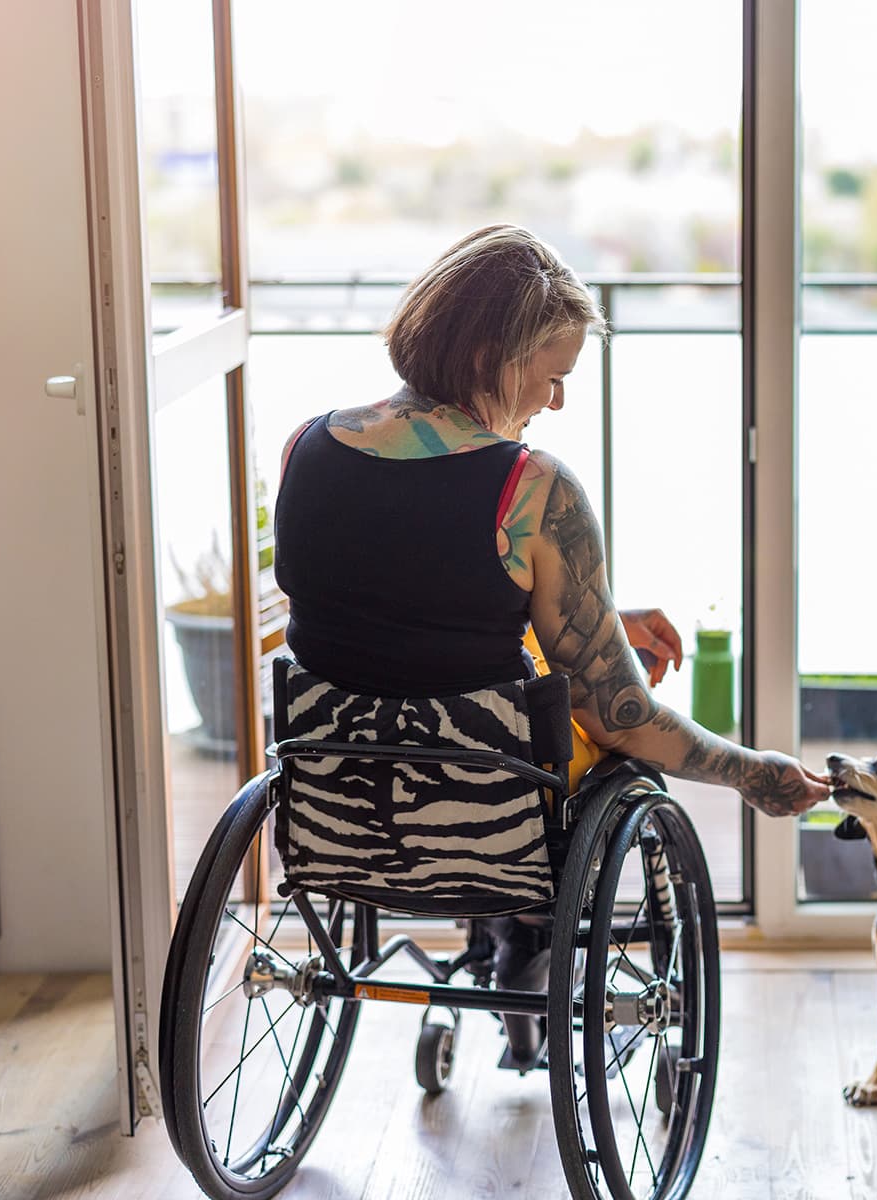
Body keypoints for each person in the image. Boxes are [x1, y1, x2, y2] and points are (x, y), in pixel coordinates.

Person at [274, 224, 830, 1062]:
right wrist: (753, 773)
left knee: (521, 700)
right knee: (606, 749)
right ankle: (530, 938)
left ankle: (514, 945)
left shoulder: (305, 446)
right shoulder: (534, 490)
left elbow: (399, 618)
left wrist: (594, 614)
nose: (557, 401)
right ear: (492, 355)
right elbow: (624, 718)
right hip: (486, 815)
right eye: (552, 377)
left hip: (338, 799)